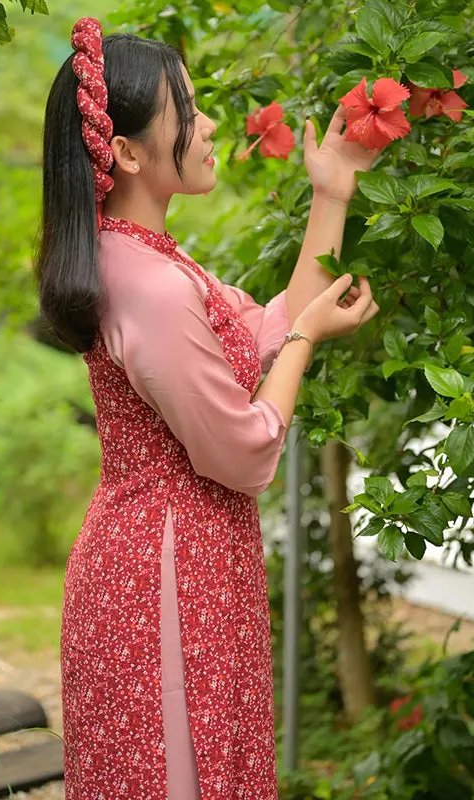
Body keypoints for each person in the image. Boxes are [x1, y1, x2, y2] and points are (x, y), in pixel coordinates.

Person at [35, 16, 380, 800]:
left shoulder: (143, 256)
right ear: (124, 151)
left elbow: (262, 326)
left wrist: (331, 191)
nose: (210, 122)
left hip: (174, 557)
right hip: (162, 573)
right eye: (185, 112)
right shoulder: (148, 283)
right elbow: (245, 451)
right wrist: (305, 338)